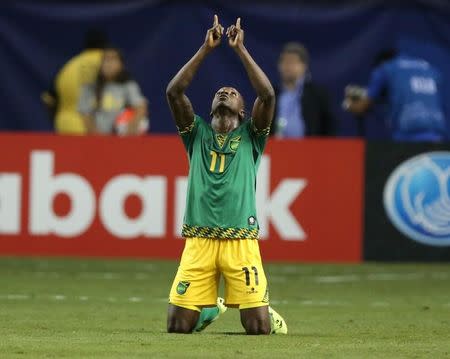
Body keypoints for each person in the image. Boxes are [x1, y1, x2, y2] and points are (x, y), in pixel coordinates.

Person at [165, 15, 287, 335]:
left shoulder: (252, 136)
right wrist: (205, 50)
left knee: (258, 329)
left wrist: (240, 50)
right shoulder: (196, 134)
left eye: (233, 92)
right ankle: (210, 308)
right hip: (199, 240)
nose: (225, 92)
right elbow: (174, 93)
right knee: (177, 327)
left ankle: (265, 311)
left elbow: (269, 96)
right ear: (210, 107)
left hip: (240, 241)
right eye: (220, 92)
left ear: (244, 111)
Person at [343, 49, 447, 142]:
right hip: (437, 134)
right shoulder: (431, 69)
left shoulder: (385, 68)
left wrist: (348, 104)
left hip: (407, 135)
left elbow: (361, 107)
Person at [41, 29, 108, 135]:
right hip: (97, 129)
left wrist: (57, 119)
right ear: (105, 46)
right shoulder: (109, 65)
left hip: (66, 126)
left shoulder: (68, 66)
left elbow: (48, 99)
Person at [78, 47, 148, 135]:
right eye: (105, 59)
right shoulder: (90, 87)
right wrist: (100, 139)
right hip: (97, 140)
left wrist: (130, 130)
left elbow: (141, 107)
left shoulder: (128, 85)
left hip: (122, 140)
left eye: (113, 59)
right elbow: (85, 114)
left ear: (121, 64)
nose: (109, 64)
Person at [271, 42, 334, 138]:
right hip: (275, 149)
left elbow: (329, 127)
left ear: (304, 66)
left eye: (292, 61)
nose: (287, 66)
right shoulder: (271, 94)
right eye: (284, 61)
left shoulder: (317, 94)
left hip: (309, 149)